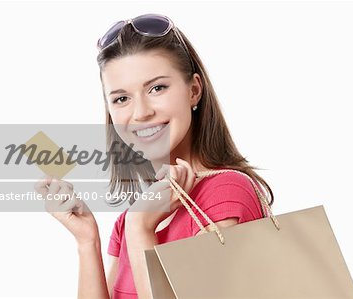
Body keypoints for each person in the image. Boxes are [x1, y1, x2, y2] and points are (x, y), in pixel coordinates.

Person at [35, 13, 275, 299]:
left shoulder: (225, 194)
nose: (140, 113)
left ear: (194, 91)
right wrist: (87, 241)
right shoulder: (136, 214)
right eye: (121, 98)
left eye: (157, 88)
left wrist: (141, 230)